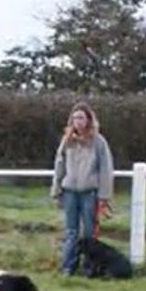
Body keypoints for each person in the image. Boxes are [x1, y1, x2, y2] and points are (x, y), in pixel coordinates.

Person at [49, 101, 115, 276]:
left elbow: (105, 169)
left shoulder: (98, 142)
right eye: (75, 118)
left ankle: (90, 268)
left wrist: (104, 195)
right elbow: (59, 164)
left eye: (81, 117)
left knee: (89, 232)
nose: (78, 121)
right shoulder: (67, 140)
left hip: (89, 192)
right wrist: (56, 189)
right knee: (71, 231)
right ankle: (68, 267)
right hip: (70, 190)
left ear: (89, 120)